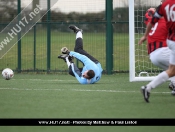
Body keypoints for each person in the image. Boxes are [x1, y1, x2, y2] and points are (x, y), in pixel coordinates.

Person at [138, 0, 175, 102]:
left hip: (154, 55)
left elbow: (148, 18)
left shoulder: (157, 17)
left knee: (171, 71)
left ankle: (148, 88)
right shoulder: (166, 22)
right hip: (164, 50)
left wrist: (150, 11)